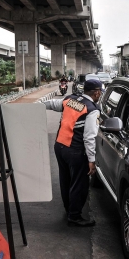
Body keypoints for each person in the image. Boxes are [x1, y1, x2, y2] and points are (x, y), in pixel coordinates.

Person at [43, 79, 103, 226]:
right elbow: (89, 137)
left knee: (65, 180)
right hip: (75, 151)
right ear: (96, 92)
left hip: (60, 147)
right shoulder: (92, 109)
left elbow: (51, 104)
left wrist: (32, 107)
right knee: (79, 184)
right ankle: (74, 216)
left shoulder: (70, 99)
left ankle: (68, 209)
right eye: (100, 92)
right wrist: (92, 160)